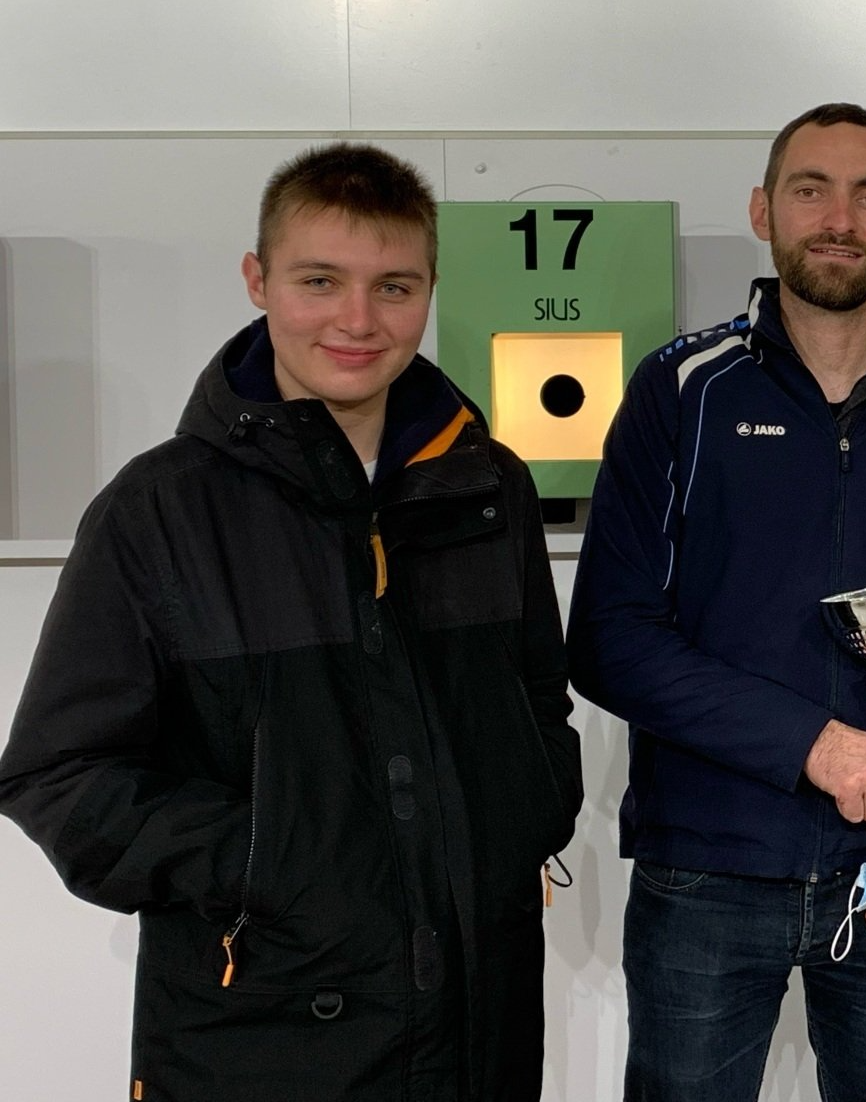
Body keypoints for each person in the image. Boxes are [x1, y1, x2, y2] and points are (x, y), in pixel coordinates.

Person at [0, 143, 582, 1101]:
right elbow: (57, 774)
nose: (358, 320)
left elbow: (538, 704)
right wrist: (270, 860)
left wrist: (522, 817)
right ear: (257, 280)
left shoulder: (490, 487)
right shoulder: (158, 510)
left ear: (429, 291)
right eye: (320, 281)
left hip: (479, 1028)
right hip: (257, 1037)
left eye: (393, 287)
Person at [566, 102, 866, 1102]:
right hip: (707, 869)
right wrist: (813, 745)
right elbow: (610, 638)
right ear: (762, 210)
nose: (839, 218)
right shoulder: (681, 390)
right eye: (811, 190)